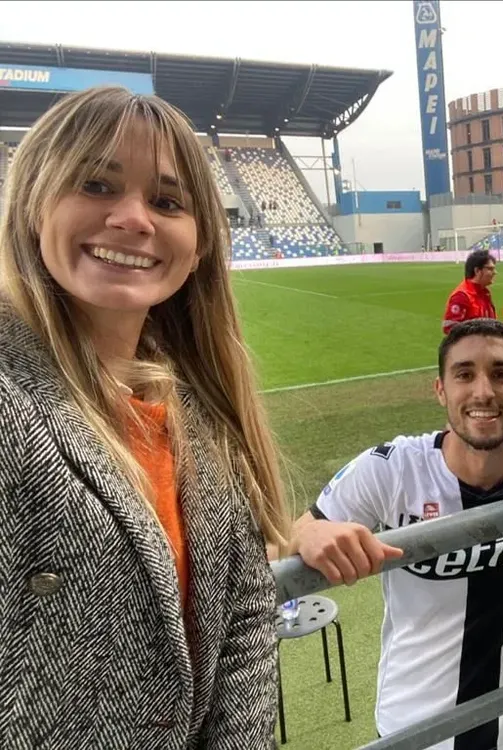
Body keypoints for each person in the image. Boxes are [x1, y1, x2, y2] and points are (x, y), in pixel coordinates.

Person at [0, 86, 288, 746]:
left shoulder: (196, 411)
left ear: (201, 240)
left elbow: (244, 614)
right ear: (34, 204)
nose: (133, 219)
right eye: (97, 185)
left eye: (166, 201)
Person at [292, 319, 503, 750]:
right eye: (464, 374)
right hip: (412, 733)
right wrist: (307, 535)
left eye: (502, 374)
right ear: (441, 390)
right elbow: (294, 532)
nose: (483, 391)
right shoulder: (390, 470)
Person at [442, 249, 497, 334]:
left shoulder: (484, 293)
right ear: (477, 271)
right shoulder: (462, 296)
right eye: (490, 269)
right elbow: (450, 328)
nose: (495, 273)